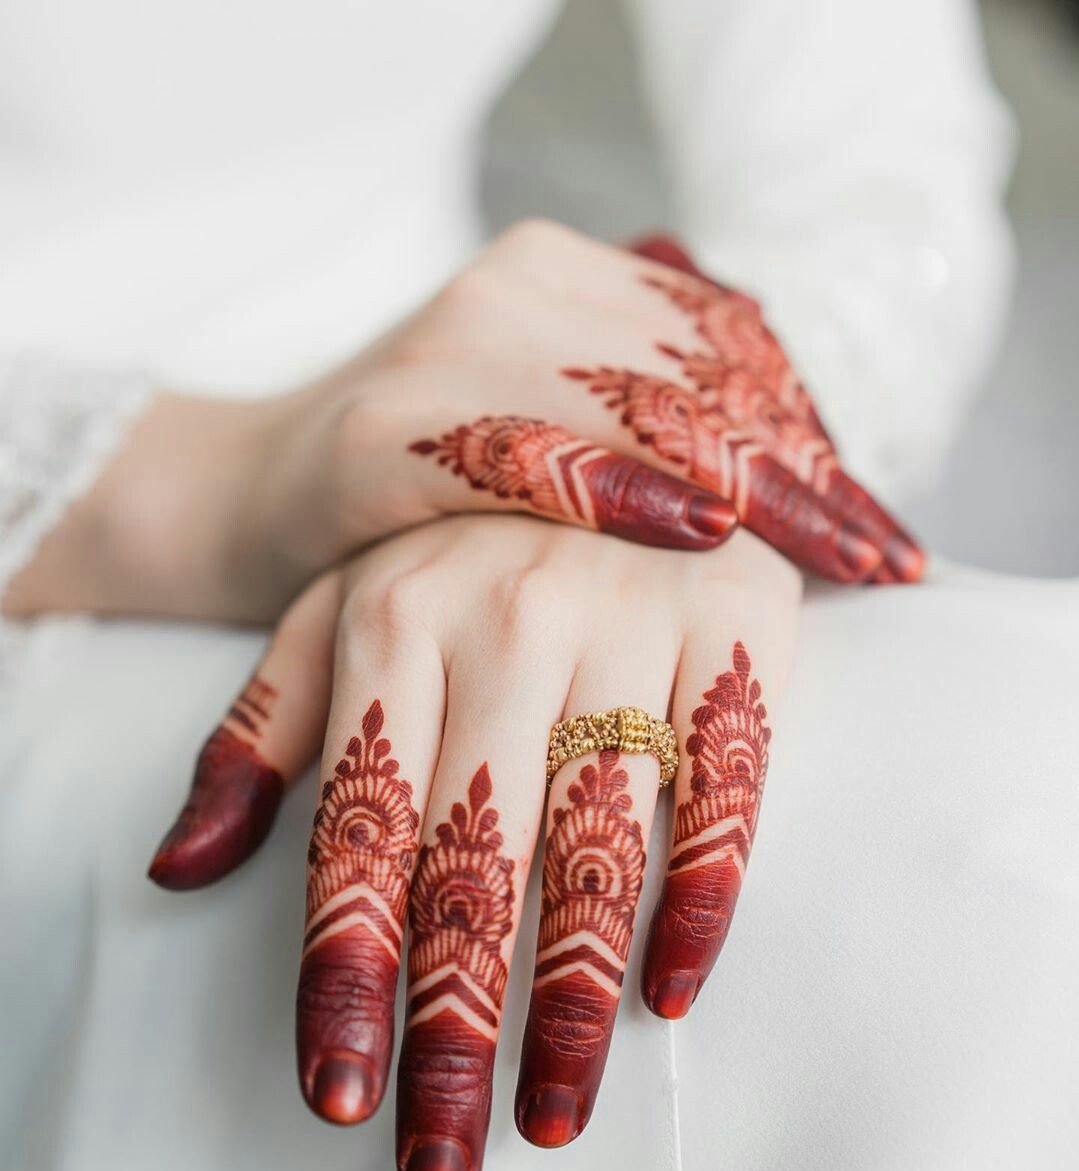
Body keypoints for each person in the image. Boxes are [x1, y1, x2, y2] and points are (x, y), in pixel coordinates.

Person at [4, 3, 1075, 1171]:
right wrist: (237, 476)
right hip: (87, 547)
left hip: (466, 438)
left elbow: (865, 175)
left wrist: (654, 470)